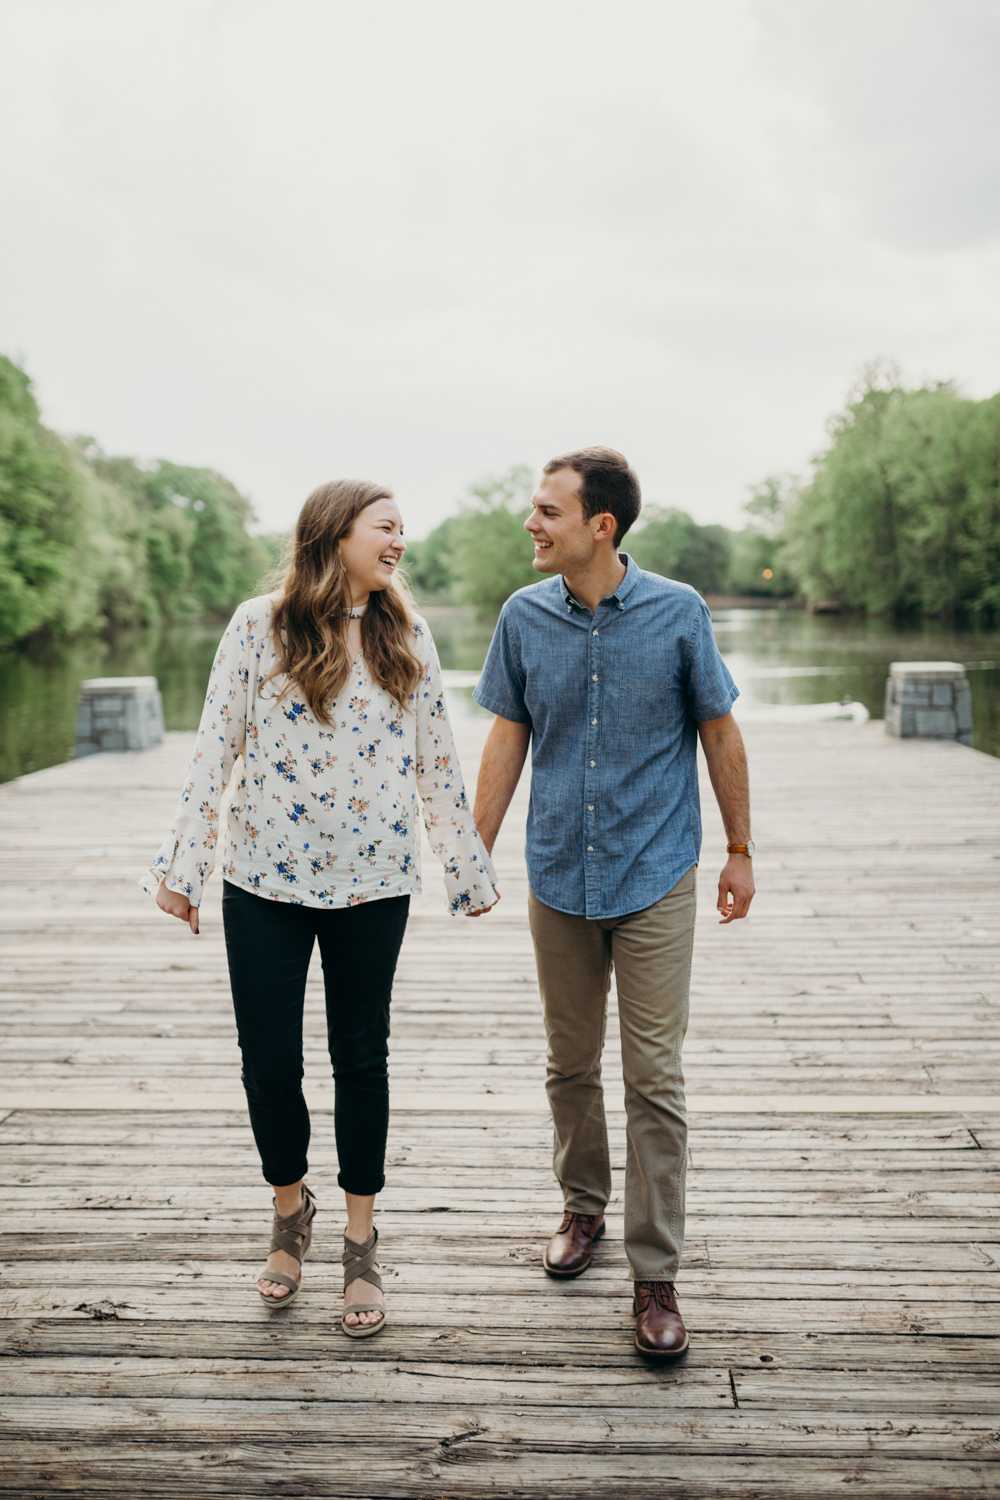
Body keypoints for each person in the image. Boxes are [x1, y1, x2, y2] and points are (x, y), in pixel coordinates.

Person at [147, 478, 498, 1337]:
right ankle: (286, 1211)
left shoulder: (403, 632)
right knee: (268, 1059)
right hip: (262, 879)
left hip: (373, 883)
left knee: (361, 1057)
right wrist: (183, 868)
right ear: (336, 533)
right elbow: (212, 750)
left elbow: (439, 762)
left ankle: (360, 1240)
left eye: (403, 530)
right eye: (387, 528)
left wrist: (466, 871)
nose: (400, 543)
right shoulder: (255, 626)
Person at [471, 447, 753, 1358]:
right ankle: (581, 1209)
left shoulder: (678, 612)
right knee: (568, 1065)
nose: (531, 523)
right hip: (557, 874)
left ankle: (655, 1276)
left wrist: (740, 850)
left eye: (548, 510)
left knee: (654, 1078)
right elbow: (508, 737)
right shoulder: (522, 617)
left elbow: (719, 728)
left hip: (654, 872)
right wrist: (474, 850)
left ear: (601, 525)